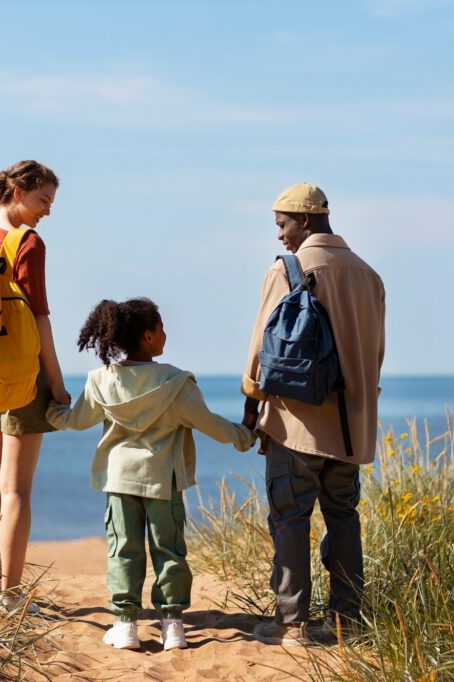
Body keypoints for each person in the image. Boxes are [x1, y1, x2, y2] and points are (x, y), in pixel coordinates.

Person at [47, 298, 255, 651]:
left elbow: (75, 420)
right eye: (161, 328)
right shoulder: (175, 383)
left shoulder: (101, 380)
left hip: (119, 480)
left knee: (123, 550)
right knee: (169, 550)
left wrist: (51, 409)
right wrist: (245, 436)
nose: (165, 334)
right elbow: (211, 424)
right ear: (148, 336)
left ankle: (126, 624)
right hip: (164, 481)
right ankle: (173, 626)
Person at [241, 182, 385, 645]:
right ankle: (347, 621)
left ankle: (292, 623)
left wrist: (252, 398)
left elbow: (259, 356)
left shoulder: (288, 270)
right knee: (344, 518)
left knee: (290, 517)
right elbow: (375, 354)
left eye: (283, 225)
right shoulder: (369, 275)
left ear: (305, 220)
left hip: (296, 422)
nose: (280, 235)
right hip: (351, 428)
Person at [0, 159, 71, 612]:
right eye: (43, 199)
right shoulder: (27, 243)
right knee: (18, 488)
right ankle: (11, 592)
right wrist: (58, 384)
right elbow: (39, 317)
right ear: (19, 191)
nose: (47, 210)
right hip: (25, 377)